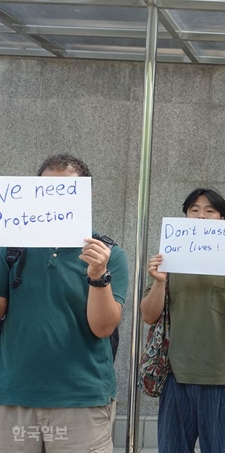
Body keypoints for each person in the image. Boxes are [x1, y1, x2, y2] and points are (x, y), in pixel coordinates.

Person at [0, 154, 129, 452]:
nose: (55, 201)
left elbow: (104, 327)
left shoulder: (110, 254)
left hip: (81, 400)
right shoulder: (11, 246)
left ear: (87, 196)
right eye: (46, 191)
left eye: (67, 192)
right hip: (14, 396)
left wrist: (98, 276)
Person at [140, 188, 225, 453]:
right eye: (194, 210)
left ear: (222, 220)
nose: (201, 216)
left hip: (221, 378)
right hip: (175, 377)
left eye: (210, 211)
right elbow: (148, 315)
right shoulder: (167, 261)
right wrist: (159, 281)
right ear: (185, 217)